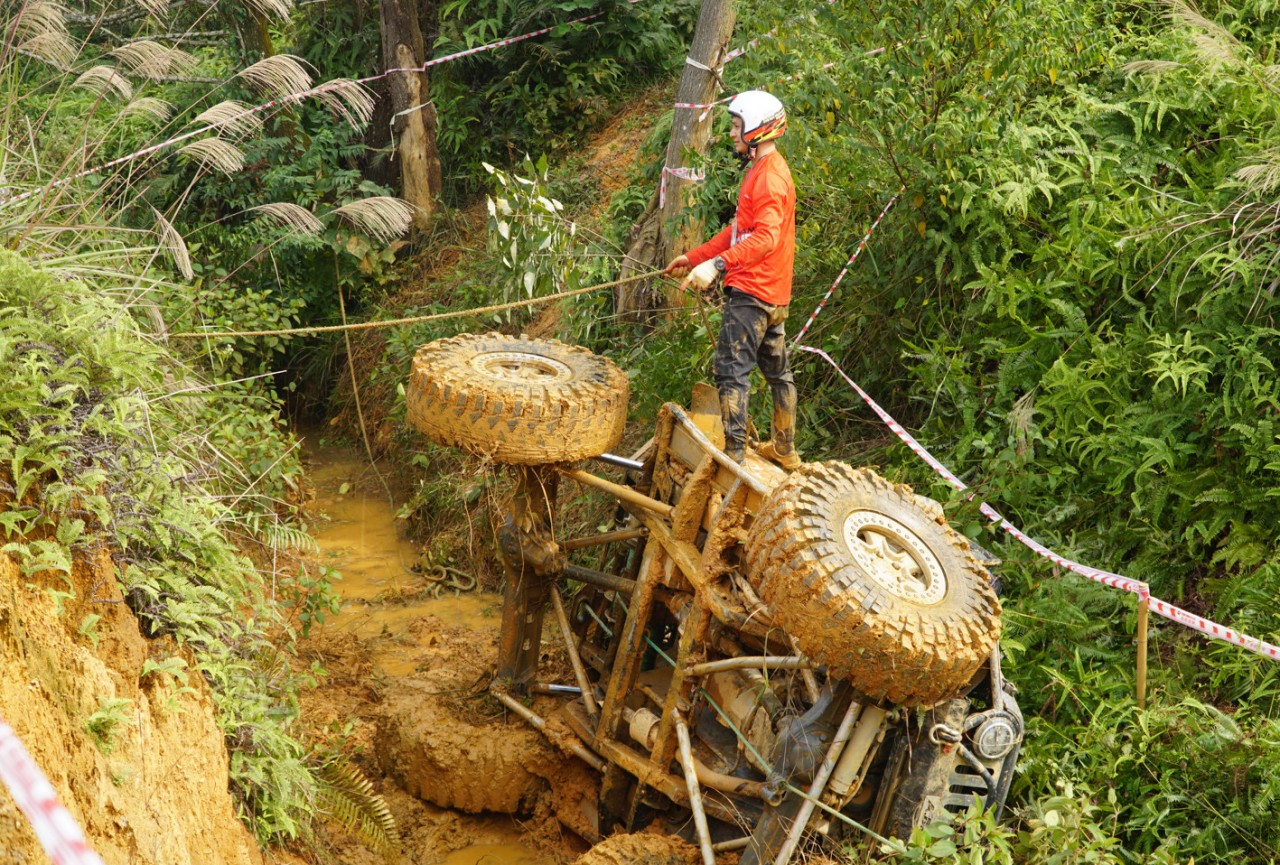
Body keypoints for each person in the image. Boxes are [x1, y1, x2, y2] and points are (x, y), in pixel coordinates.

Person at [664, 90, 799, 469]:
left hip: (753, 291)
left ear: (756, 129)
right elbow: (740, 230)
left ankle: (734, 456)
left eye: (737, 126)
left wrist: (718, 265)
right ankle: (785, 449)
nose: (731, 133)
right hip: (773, 292)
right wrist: (695, 257)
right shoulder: (763, 168)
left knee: (730, 369)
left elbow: (766, 237)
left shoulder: (768, 178)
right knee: (777, 372)